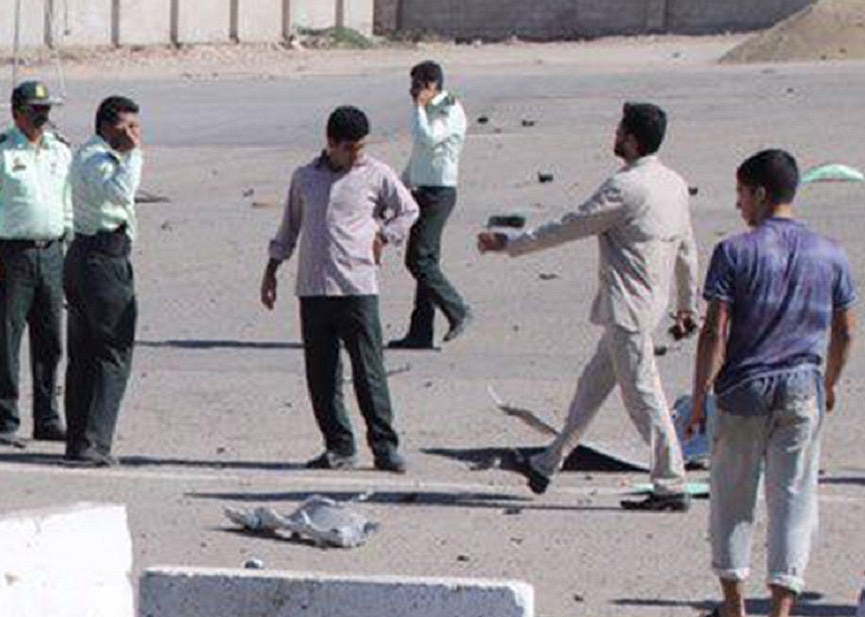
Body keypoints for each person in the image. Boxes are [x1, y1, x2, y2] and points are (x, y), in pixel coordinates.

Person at [479, 102, 698, 511]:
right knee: (591, 389)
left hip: (628, 311)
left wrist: (511, 244)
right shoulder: (673, 183)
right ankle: (547, 463)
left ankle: (671, 484)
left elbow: (570, 225)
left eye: (619, 130)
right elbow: (687, 249)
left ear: (630, 139)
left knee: (644, 399)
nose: (614, 136)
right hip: (645, 307)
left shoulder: (626, 188)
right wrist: (687, 304)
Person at [688, 148, 856, 617]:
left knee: (732, 497)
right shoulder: (830, 252)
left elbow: (714, 331)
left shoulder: (735, 251)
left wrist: (699, 397)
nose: (738, 205)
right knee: (793, 501)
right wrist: (830, 382)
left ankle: (733, 603)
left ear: (760, 193)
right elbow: (845, 331)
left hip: (743, 389)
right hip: (803, 387)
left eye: (741, 194)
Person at [262, 105, 419, 473]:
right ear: (331, 144)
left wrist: (386, 234)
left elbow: (408, 210)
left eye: (361, 147)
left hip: (357, 287)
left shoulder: (377, 175)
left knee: (369, 371)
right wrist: (271, 270)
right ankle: (338, 446)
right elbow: (289, 228)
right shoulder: (304, 178)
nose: (357, 154)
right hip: (314, 289)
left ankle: (384, 446)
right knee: (322, 374)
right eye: (350, 147)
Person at [0, 80, 75, 446]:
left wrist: (70, 246)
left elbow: (67, 204)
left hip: (51, 253)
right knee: (7, 340)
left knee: (50, 341)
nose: (43, 117)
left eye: (46, 110)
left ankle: (48, 416)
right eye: (36, 110)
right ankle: (7, 419)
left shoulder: (60, 150)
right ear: (17, 112)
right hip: (10, 256)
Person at [64, 95, 143, 467]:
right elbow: (120, 193)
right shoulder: (97, 158)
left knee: (86, 353)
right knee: (111, 353)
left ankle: (81, 439)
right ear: (107, 126)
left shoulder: (95, 156)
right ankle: (92, 442)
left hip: (92, 256)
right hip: (100, 258)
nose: (133, 134)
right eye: (127, 127)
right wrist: (134, 154)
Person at [391, 59, 473, 350]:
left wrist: (417, 108)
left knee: (418, 260)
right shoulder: (428, 109)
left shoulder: (448, 108)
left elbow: (427, 139)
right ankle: (420, 332)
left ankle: (458, 310)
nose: (412, 92)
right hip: (422, 189)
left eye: (416, 86)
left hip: (439, 194)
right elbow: (420, 156)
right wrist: (400, 185)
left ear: (431, 85)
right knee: (427, 263)